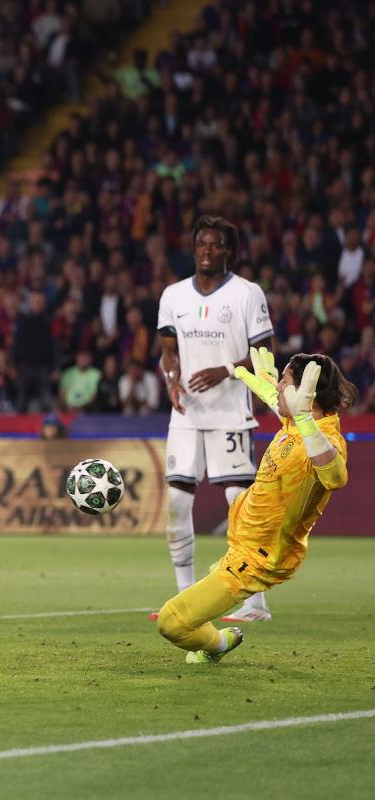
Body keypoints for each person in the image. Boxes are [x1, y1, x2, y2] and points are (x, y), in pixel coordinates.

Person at [157, 351, 355, 663]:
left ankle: (219, 644)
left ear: (306, 395)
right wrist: (262, 386)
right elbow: (285, 408)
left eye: (284, 382)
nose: (278, 387)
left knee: (172, 623)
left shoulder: (322, 438)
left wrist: (302, 417)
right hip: (243, 542)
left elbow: (336, 476)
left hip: (258, 558)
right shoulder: (296, 422)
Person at [154, 216, 274, 624]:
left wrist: (225, 370)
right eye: (201, 244)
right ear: (194, 249)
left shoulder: (247, 294)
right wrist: (171, 380)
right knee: (175, 503)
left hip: (231, 414)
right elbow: (168, 352)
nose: (207, 251)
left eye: (216, 245)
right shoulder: (173, 295)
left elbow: (266, 355)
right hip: (185, 414)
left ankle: (256, 602)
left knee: (240, 507)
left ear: (230, 251)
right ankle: (185, 597)